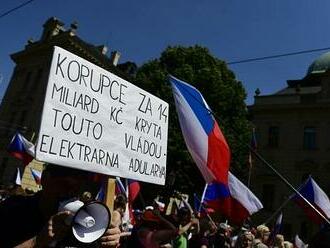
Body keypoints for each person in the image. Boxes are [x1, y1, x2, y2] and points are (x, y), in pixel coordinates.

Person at [0, 164, 121, 247]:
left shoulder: (83, 224)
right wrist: (36, 241)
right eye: (64, 184)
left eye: (77, 188)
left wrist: (109, 239)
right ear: (45, 179)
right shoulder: (13, 210)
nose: (70, 192)